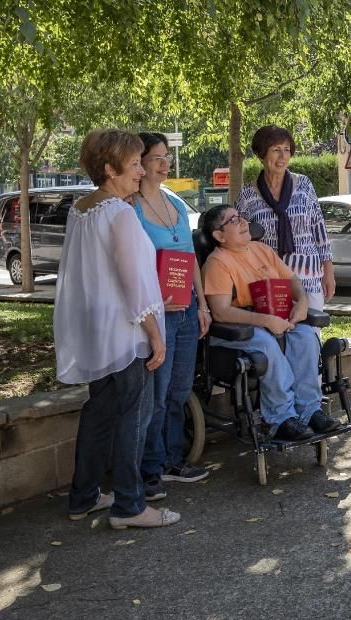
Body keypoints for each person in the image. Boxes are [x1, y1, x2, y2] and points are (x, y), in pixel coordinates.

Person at [54, 128, 180, 530]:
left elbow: (77, 276)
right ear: (109, 169)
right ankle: (129, 504)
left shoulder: (81, 209)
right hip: (127, 335)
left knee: (99, 413)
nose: (141, 171)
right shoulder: (120, 213)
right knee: (130, 417)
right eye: (133, 165)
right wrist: (156, 336)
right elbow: (134, 282)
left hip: (98, 332)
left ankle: (84, 496)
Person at [200, 204, 341, 440]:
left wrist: (302, 303)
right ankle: (281, 418)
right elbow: (221, 312)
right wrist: (265, 321)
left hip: (275, 317)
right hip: (238, 327)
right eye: (233, 221)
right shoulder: (217, 262)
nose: (243, 222)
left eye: (241, 217)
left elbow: (293, 280)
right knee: (266, 343)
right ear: (219, 235)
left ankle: (309, 411)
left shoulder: (261, 250)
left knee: (306, 337)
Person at [131, 132, 211, 501]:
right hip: (157, 314)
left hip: (187, 309)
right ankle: (150, 469)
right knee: (157, 396)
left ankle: (174, 460)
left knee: (179, 390)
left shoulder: (176, 204)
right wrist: (156, 304)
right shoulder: (130, 209)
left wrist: (203, 305)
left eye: (167, 157)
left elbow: (189, 257)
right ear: (140, 162)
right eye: (157, 157)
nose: (165, 163)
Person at [235, 125, 335, 311]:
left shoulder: (303, 185)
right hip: (269, 279)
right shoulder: (247, 195)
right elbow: (239, 241)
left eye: (287, 150)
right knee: (276, 335)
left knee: (310, 335)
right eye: (276, 150)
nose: (283, 157)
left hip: (308, 275)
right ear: (261, 154)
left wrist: (328, 271)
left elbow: (318, 228)